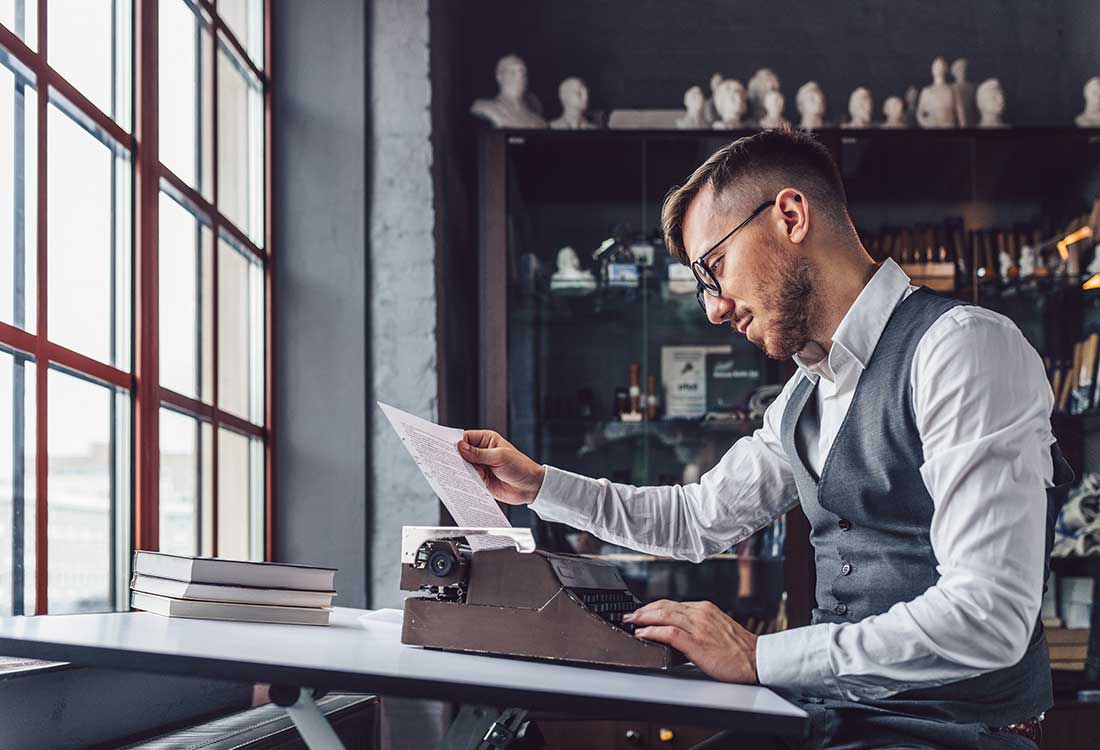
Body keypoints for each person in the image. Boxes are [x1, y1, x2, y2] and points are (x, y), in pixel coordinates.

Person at [458, 128, 1073, 749]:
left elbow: (989, 616)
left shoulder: (962, 349)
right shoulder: (803, 397)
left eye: (714, 267)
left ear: (790, 215)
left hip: (952, 735)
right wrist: (539, 485)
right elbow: (697, 519)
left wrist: (760, 657)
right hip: (834, 722)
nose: (713, 309)